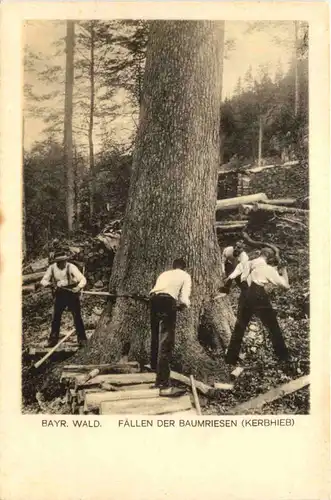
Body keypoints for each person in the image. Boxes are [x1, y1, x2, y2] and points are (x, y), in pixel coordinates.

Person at [225, 247, 294, 372]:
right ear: (270, 258)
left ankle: (230, 359)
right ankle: (284, 357)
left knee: (239, 327)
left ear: (259, 254)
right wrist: (283, 271)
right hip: (258, 294)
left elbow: (239, 275)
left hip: (245, 294)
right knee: (273, 326)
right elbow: (286, 286)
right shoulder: (267, 269)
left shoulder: (248, 263)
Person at [149, 258, 192, 396]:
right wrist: (184, 305)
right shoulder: (185, 276)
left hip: (154, 300)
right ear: (184, 268)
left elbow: (158, 290)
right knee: (166, 342)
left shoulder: (164, 274)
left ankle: (157, 378)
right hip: (167, 302)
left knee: (155, 339)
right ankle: (164, 384)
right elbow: (184, 297)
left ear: (173, 267)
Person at [38, 250, 87, 348]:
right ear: (57, 262)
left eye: (64, 260)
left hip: (71, 292)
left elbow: (83, 279)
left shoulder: (71, 267)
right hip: (60, 294)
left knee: (77, 316)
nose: (63, 263)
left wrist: (78, 287)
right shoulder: (52, 268)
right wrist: (50, 284)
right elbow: (43, 281)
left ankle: (82, 339)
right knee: (56, 317)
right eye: (60, 261)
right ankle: (53, 340)